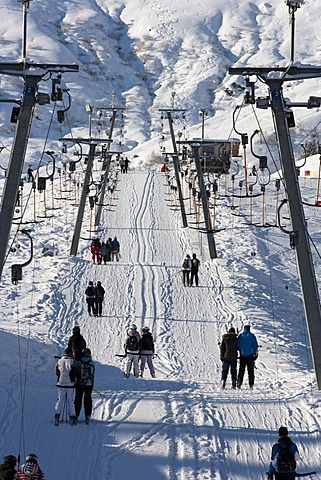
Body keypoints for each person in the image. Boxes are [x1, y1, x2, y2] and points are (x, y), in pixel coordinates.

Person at [54, 348, 78, 425]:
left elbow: (57, 373)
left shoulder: (59, 361)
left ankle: (57, 415)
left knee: (60, 400)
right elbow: (75, 373)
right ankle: (72, 416)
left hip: (61, 384)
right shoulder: (72, 361)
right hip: (70, 384)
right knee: (70, 401)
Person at [75, 348, 95, 424]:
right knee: (87, 400)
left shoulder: (78, 362)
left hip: (79, 384)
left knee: (78, 400)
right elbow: (92, 373)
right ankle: (88, 416)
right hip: (89, 384)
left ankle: (76, 416)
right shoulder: (91, 362)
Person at [236, 325, 258, 389]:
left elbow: (238, 345)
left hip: (242, 356)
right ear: (249, 329)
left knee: (241, 370)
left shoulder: (241, 336)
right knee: (250, 371)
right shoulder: (252, 336)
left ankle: (239, 383)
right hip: (250, 356)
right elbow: (255, 345)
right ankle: (251, 384)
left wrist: (241, 350)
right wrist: (254, 353)